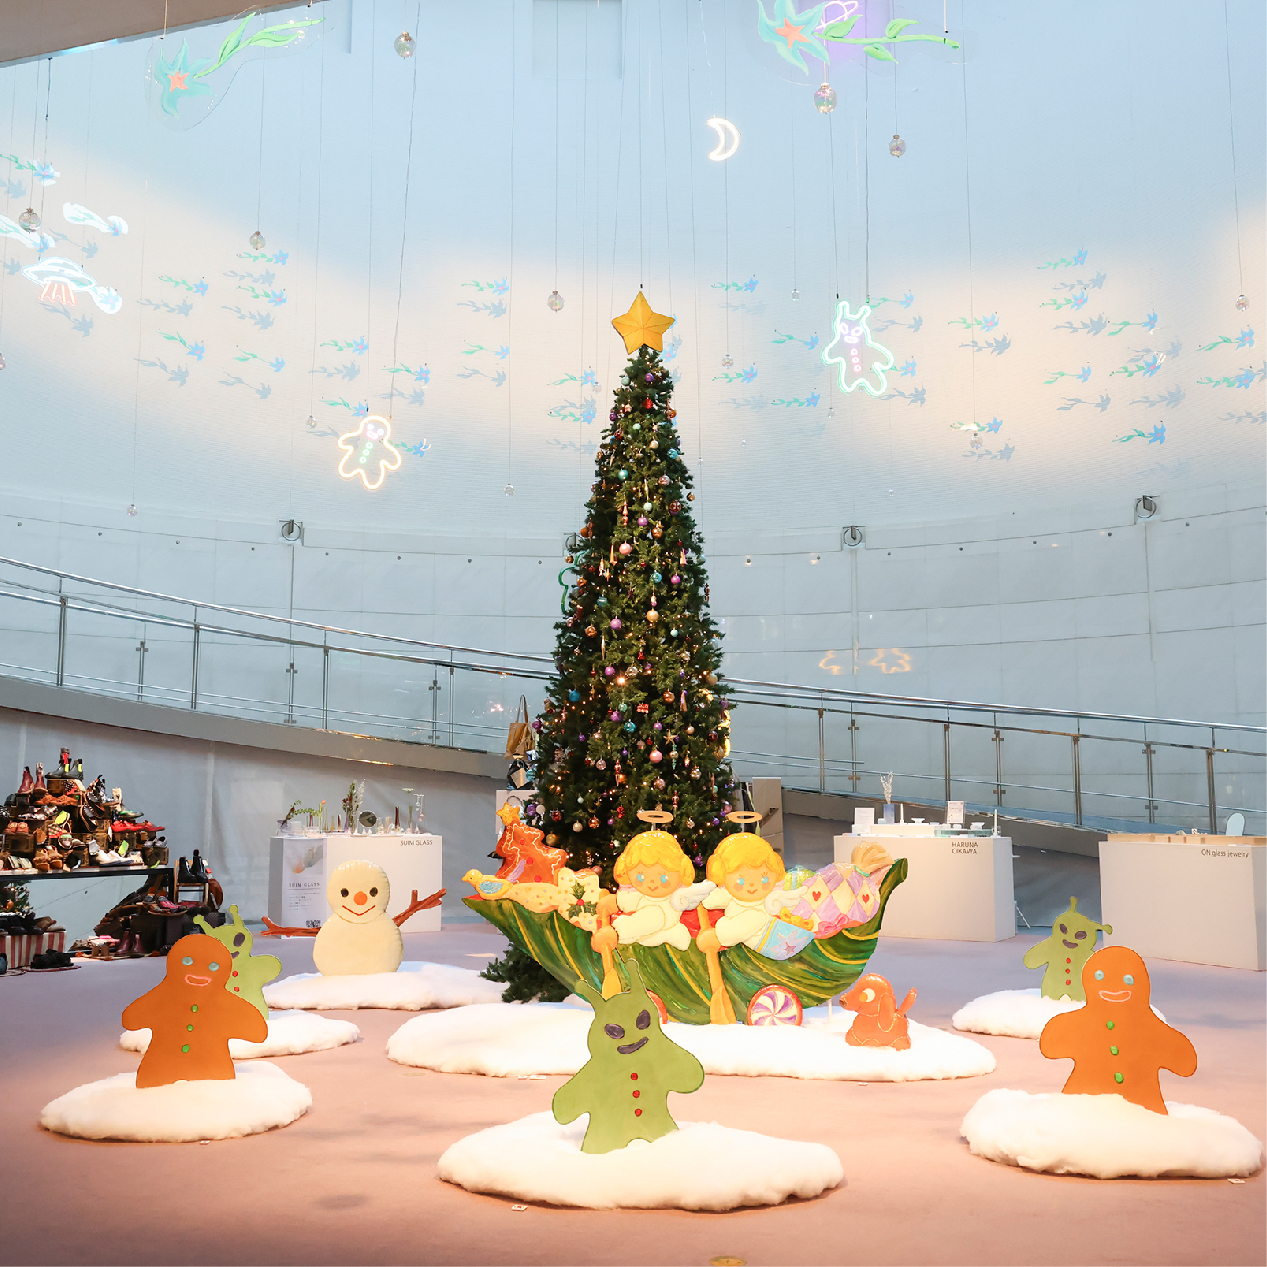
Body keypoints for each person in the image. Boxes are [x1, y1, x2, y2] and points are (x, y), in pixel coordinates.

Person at [591, 828, 712, 953]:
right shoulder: (637, 895)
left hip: (668, 930)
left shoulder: (677, 896)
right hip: (645, 935)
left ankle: (618, 934)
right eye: (641, 877)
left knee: (657, 917)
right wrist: (615, 902)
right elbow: (626, 902)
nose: (652, 883)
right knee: (653, 920)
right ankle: (618, 934)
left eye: (663, 878)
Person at [695, 833, 801, 954]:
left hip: (770, 944)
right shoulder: (733, 895)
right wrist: (703, 896)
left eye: (764, 879)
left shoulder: (763, 907)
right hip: (748, 942)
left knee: (756, 917)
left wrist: (717, 935)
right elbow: (713, 899)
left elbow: (729, 934)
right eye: (741, 881)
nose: (752, 885)